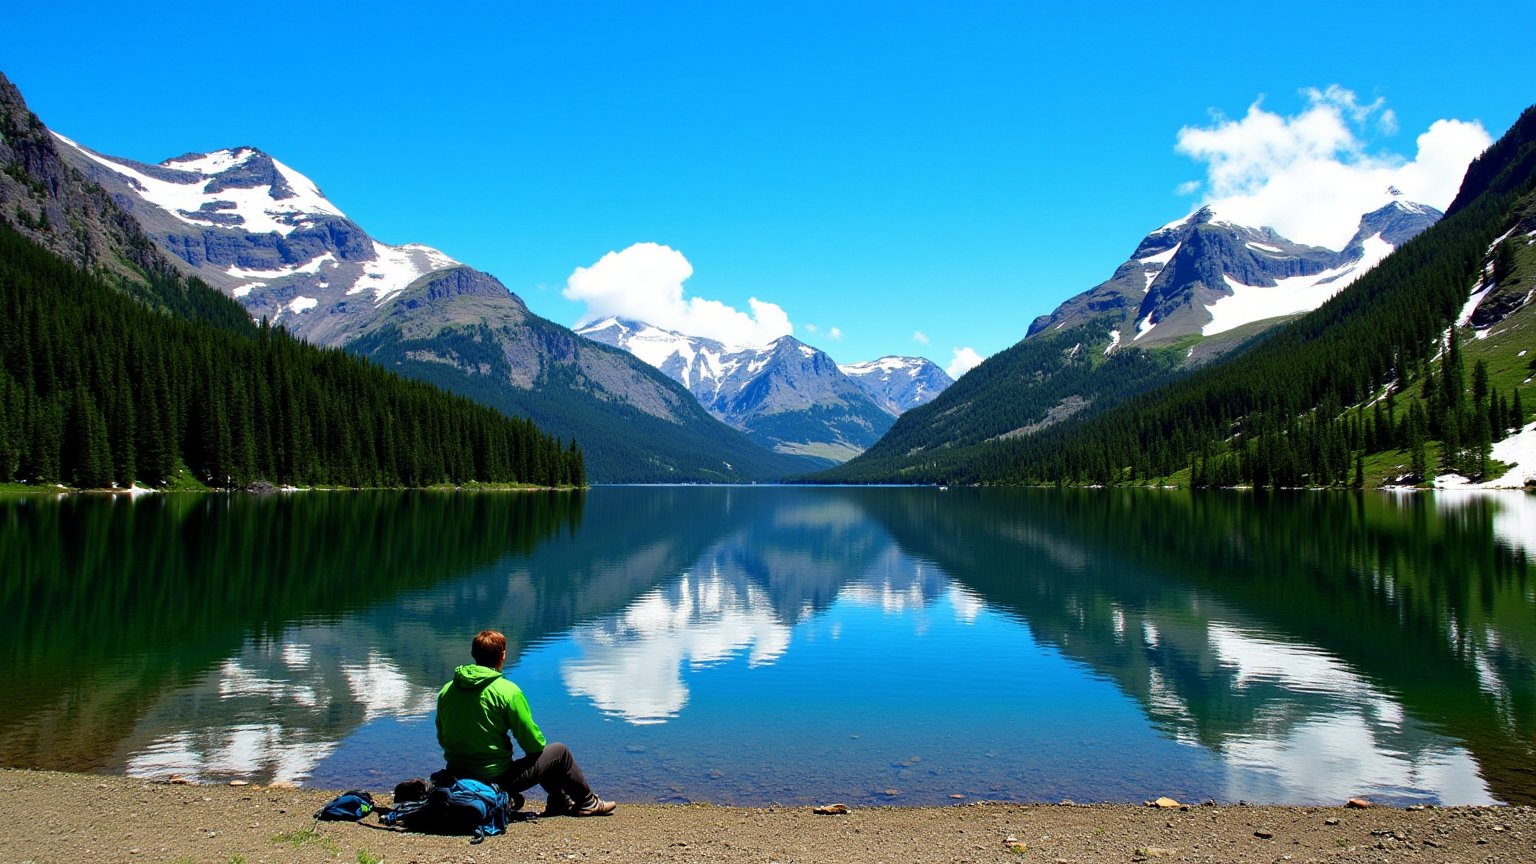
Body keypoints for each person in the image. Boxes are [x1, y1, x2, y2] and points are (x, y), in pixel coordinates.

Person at [436, 629, 616, 817]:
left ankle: (560, 801)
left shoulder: (447, 690)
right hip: (496, 778)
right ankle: (587, 801)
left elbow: (443, 738)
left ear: (474, 655)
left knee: (545, 757)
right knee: (558, 753)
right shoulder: (507, 691)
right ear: (503, 656)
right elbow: (533, 744)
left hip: (456, 775)